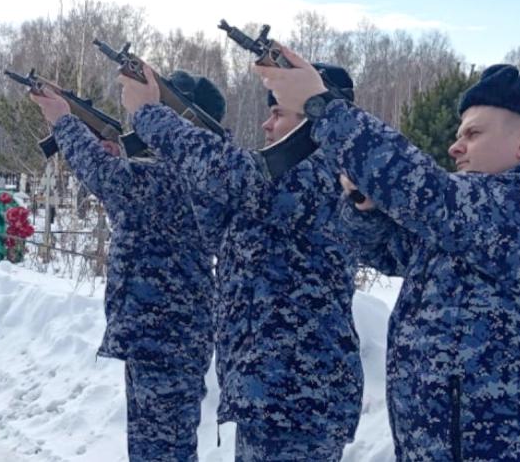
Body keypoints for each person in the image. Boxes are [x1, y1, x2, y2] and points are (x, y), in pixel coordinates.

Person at [257, 53, 520, 461]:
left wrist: (323, 108)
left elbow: (428, 194)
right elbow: (393, 251)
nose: (455, 147)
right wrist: (364, 206)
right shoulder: (481, 220)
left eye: (473, 134)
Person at [118, 63, 363, 461]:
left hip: (300, 402)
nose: (266, 125)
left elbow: (233, 173)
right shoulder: (282, 186)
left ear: (314, 118)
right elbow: (221, 223)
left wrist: (152, 115)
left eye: (278, 112)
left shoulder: (319, 173)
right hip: (268, 399)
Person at [29, 71, 226, 461]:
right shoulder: (189, 172)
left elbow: (108, 178)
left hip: (166, 337)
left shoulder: (175, 175)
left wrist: (64, 120)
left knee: (162, 452)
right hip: (160, 336)